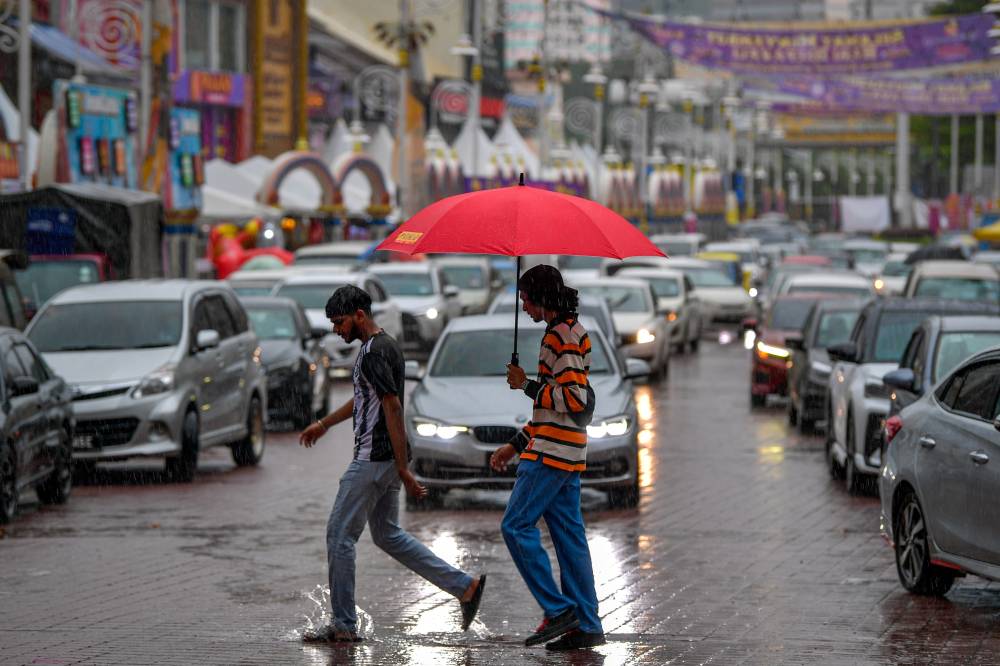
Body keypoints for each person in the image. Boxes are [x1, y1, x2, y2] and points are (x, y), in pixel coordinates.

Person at [299, 284, 485, 643]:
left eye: (340, 322)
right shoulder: (384, 345)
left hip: (373, 460)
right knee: (387, 534)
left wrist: (403, 468)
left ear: (359, 315)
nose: (337, 330)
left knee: (339, 536)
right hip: (386, 461)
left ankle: (343, 625)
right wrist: (324, 424)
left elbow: (393, 406)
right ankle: (465, 587)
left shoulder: (372, 352)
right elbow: (363, 398)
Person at [490, 264, 606, 651]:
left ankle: (558, 610)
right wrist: (516, 443)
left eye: (526, 298)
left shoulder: (561, 336)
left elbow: (572, 399)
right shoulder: (569, 330)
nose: (524, 306)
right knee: (569, 539)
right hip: (566, 450)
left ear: (541, 297)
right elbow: (553, 409)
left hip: (552, 453)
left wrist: (526, 384)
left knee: (516, 526)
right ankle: (586, 624)